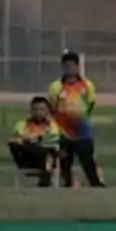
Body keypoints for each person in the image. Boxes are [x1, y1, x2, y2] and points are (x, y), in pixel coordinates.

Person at [48, 52, 106, 188]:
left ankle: (95, 184)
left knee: (87, 158)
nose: (69, 68)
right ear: (62, 67)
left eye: (72, 65)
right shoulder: (56, 86)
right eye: (66, 66)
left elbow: (90, 104)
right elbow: (52, 106)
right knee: (65, 160)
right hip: (63, 130)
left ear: (77, 67)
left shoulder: (87, 85)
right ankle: (67, 184)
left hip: (82, 128)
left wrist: (80, 116)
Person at [9, 96, 63, 187]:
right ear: (30, 110)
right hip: (28, 158)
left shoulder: (52, 126)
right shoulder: (22, 124)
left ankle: (46, 168)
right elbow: (16, 140)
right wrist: (31, 140)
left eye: (42, 109)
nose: (38, 112)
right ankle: (46, 164)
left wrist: (32, 140)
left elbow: (52, 141)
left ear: (47, 111)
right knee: (16, 144)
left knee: (48, 150)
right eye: (35, 109)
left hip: (47, 154)